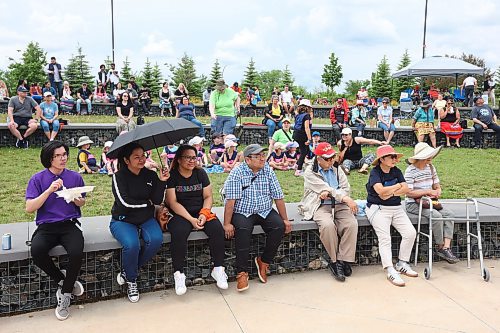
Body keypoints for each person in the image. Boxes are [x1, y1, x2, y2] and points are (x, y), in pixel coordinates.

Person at [26, 141, 87, 320]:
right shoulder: (37, 179)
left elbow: (82, 202)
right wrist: (48, 191)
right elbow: (29, 207)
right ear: (49, 159)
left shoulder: (75, 177)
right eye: (58, 156)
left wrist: (75, 198)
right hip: (47, 226)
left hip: (69, 224)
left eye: (65, 154)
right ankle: (62, 280)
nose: (63, 158)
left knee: (76, 252)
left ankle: (66, 294)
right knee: (37, 251)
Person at [223, 144, 292, 291]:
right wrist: (227, 223)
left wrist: (285, 219)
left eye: (263, 155)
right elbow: (231, 201)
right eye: (258, 156)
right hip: (243, 210)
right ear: (248, 159)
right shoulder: (237, 172)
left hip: (264, 209)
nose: (262, 158)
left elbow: (278, 196)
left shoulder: (267, 169)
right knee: (243, 230)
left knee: (279, 226)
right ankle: (242, 272)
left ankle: (264, 261)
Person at [110, 142, 169, 303]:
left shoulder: (150, 175)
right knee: (132, 245)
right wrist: (148, 204)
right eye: (136, 157)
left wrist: (162, 181)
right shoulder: (118, 177)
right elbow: (124, 203)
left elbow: (157, 200)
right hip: (123, 220)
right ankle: (131, 280)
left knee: (156, 240)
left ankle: (128, 270)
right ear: (126, 160)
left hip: (146, 218)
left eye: (143, 155)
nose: (142, 159)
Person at [165, 145, 227, 295]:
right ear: (179, 159)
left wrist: (204, 214)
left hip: (201, 211)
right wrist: (191, 219)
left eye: (194, 157)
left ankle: (218, 268)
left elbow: (208, 196)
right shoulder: (172, 176)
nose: (192, 161)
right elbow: (172, 202)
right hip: (180, 214)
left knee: (217, 229)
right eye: (188, 157)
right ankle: (178, 273)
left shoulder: (200, 173)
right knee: (179, 232)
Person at [298, 142, 358, 282]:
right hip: (319, 205)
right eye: (327, 158)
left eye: (332, 157)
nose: (331, 160)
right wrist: (340, 196)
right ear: (318, 158)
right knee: (327, 225)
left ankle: (344, 260)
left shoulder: (337, 167)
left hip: (339, 204)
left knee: (351, 224)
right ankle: (335, 261)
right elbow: (324, 188)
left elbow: (346, 187)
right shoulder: (310, 172)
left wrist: (335, 195)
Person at [365, 145, 417, 287]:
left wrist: (391, 192)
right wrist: (396, 188)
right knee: (385, 238)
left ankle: (402, 263)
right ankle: (390, 270)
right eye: (392, 157)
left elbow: (406, 188)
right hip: (378, 208)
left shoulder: (397, 171)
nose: (395, 159)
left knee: (410, 233)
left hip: (396, 207)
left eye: (395, 157)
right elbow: (380, 192)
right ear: (382, 159)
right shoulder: (375, 173)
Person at [404, 142, 459, 264]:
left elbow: (437, 185)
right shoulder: (410, 171)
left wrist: (438, 190)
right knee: (436, 216)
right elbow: (408, 193)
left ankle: (446, 247)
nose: (430, 157)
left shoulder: (431, 167)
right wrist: (427, 191)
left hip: (431, 201)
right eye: (427, 155)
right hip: (414, 203)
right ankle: (440, 246)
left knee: (449, 214)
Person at [293, 99, 313, 176]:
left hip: (296, 134)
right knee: (303, 152)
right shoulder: (306, 116)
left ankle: (297, 164)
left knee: (306, 150)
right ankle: (299, 170)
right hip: (302, 135)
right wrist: (309, 139)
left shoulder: (298, 115)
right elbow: (307, 128)